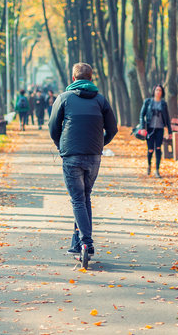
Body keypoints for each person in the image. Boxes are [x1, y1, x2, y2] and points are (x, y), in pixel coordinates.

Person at [49, 62, 117, 259]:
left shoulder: (63, 98)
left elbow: (53, 126)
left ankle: (86, 242)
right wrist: (100, 144)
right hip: (94, 156)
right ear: (91, 78)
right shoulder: (101, 100)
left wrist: (60, 144)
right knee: (84, 197)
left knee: (78, 199)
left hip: (71, 155)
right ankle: (76, 243)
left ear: (73, 78)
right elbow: (112, 129)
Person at [139, 84, 170, 178]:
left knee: (158, 149)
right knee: (150, 149)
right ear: (154, 91)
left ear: (162, 92)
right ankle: (149, 166)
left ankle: (157, 170)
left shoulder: (163, 104)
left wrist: (170, 131)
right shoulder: (148, 102)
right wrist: (142, 128)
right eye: (157, 90)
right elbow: (141, 115)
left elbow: (167, 118)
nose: (158, 92)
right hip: (150, 129)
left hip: (160, 129)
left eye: (160, 90)